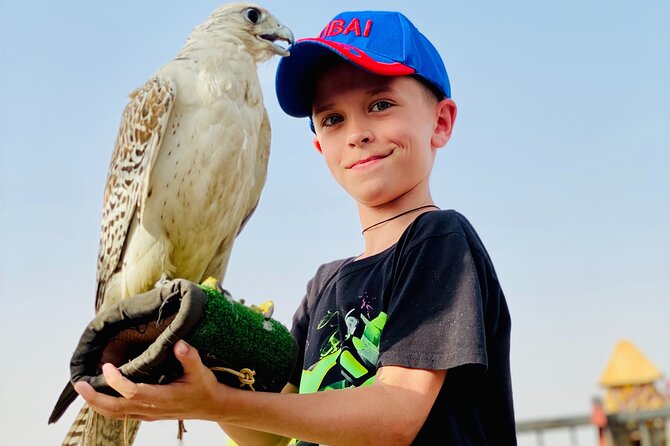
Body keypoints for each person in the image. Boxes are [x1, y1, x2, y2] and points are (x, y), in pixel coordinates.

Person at [75, 9, 517, 445]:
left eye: (380, 105)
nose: (357, 133)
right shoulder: (325, 286)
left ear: (440, 122)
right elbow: (268, 437)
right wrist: (201, 380)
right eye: (333, 119)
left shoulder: (438, 241)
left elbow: (396, 415)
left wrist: (218, 405)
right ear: (319, 145)